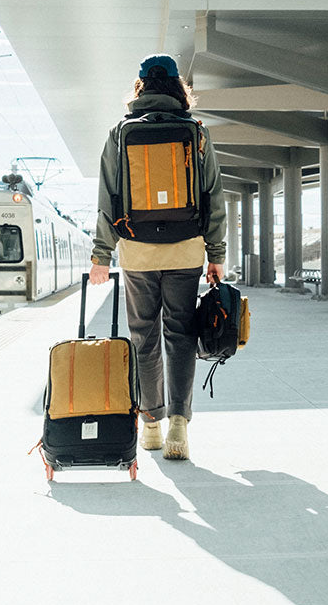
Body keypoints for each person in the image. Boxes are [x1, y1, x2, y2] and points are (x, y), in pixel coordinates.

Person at [88, 54, 226, 460]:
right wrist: (216, 253)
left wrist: (101, 256)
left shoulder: (121, 132)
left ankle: (151, 423)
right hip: (186, 249)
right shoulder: (196, 132)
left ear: (140, 87)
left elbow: (108, 198)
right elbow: (213, 196)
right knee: (180, 336)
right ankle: (178, 423)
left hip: (137, 253)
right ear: (179, 89)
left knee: (144, 337)